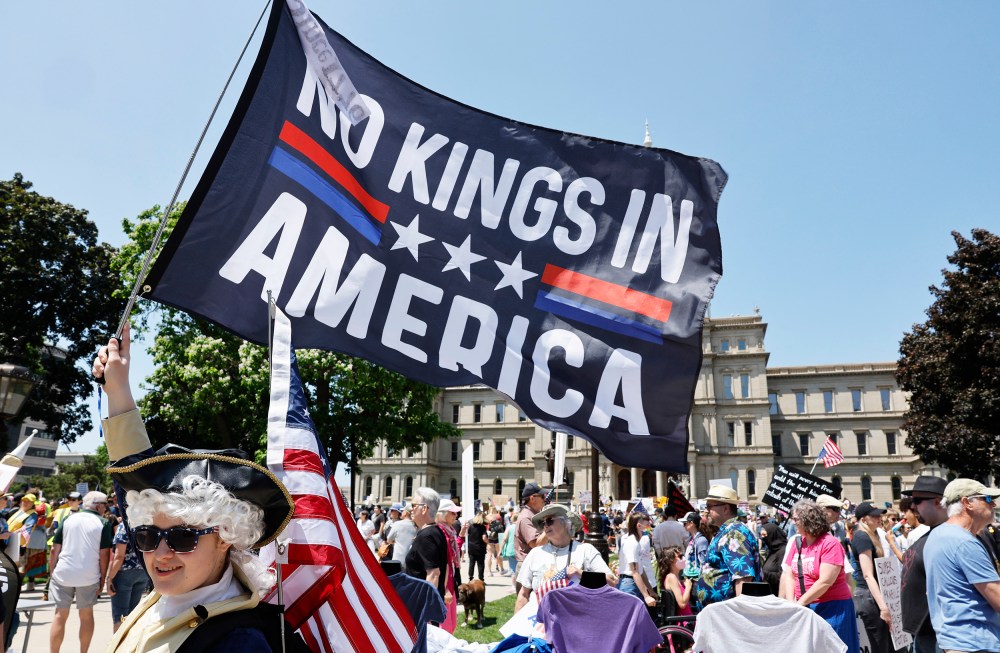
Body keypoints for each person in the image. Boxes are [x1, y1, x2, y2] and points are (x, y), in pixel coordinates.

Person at [94, 326, 303, 653]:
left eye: (183, 537)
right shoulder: (176, 587)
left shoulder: (239, 643)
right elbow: (132, 481)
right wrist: (117, 387)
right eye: (147, 536)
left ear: (224, 538)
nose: (160, 553)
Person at [924, 479, 1000, 653]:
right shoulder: (964, 542)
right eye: (987, 499)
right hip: (977, 642)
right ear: (967, 503)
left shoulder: (937, 535)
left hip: (954, 641)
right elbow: (997, 598)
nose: (993, 504)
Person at [781, 499, 860, 653]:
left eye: (796, 519)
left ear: (808, 519)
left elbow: (825, 581)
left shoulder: (830, 544)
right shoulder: (797, 543)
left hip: (833, 608)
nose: (793, 522)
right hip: (806, 608)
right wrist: (792, 603)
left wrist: (800, 603)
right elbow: (790, 575)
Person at [47, 491, 113, 653]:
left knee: (59, 616)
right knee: (86, 616)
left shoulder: (68, 519)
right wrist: (103, 578)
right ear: (99, 506)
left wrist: (51, 572)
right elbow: (104, 555)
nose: (106, 508)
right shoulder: (103, 523)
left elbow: (55, 550)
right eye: (105, 504)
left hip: (63, 573)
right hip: (88, 575)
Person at [514, 504, 614, 611]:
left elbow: (611, 581)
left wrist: (580, 574)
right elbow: (523, 595)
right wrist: (515, 626)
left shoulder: (585, 550)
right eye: (543, 523)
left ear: (566, 523)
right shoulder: (535, 553)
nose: (546, 526)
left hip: (575, 619)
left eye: (549, 521)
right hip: (540, 622)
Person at [899, 476, 947, 653]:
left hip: (938, 633)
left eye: (917, 501)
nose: (912, 507)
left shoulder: (950, 538)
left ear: (938, 501)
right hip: (922, 631)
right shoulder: (931, 535)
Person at [693, 485, 762, 610]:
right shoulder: (726, 531)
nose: (706, 511)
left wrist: (740, 614)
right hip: (719, 614)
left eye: (709, 507)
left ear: (725, 508)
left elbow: (743, 577)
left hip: (728, 615)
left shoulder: (734, 533)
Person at [850, 501, 892, 653]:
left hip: (873, 594)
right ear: (863, 519)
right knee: (879, 646)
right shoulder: (862, 537)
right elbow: (868, 575)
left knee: (886, 644)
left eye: (879, 515)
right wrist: (883, 607)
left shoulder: (872, 535)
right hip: (868, 595)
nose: (879, 518)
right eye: (874, 516)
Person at [107, 520, 150, 632]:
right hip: (142, 572)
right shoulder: (145, 523)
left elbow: (119, 556)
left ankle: (118, 647)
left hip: (124, 573)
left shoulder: (124, 526)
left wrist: (109, 578)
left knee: (120, 615)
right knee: (132, 614)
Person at [617, 512, 658, 607]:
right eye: (647, 525)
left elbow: (641, 570)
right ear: (639, 526)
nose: (649, 528)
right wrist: (646, 595)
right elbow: (634, 571)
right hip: (629, 584)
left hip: (633, 583)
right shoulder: (632, 543)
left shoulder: (636, 542)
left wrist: (650, 590)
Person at [514, 483, 548, 594]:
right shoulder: (526, 517)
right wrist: (550, 526)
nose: (545, 499)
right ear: (532, 498)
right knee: (526, 603)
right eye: (542, 496)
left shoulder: (534, 514)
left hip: (534, 565)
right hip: (527, 567)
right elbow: (536, 544)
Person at [659, 545, 694, 617]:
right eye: (680, 556)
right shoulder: (671, 577)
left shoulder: (676, 577)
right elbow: (682, 604)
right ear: (670, 561)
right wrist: (688, 586)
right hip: (685, 622)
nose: (683, 559)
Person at [759, 522, 788, 596]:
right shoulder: (772, 550)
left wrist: (765, 574)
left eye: (765, 535)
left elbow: (783, 576)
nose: (763, 538)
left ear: (772, 535)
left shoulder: (782, 551)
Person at [682, 511, 713, 578]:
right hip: (691, 576)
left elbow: (703, 562)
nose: (683, 525)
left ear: (691, 524)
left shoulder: (701, 540)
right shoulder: (692, 539)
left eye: (684, 523)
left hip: (697, 578)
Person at [386, 503, 416, 568]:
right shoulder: (417, 526)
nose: (401, 512)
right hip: (412, 561)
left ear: (406, 513)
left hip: (398, 559)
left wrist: (394, 542)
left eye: (403, 511)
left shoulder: (397, 524)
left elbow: (389, 539)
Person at [466, 511, 487, 582]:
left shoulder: (471, 526)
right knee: (480, 564)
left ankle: (470, 577)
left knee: (471, 563)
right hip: (480, 547)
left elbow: (468, 534)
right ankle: (481, 578)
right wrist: (488, 541)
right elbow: (484, 538)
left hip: (471, 547)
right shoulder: (483, 527)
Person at [499, 511, 518, 583]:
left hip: (511, 550)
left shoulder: (509, 528)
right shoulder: (521, 526)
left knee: (513, 570)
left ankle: (514, 586)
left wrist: (500, 550)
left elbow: (504, 539)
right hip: (521, 550)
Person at [486, 508, 505, 575]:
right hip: (497, 537)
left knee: (489, 555)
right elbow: (502, 525)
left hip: (489, 537)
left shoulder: (487, 517)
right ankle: (502, 569)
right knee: (498, 553)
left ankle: (489, 571)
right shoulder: (498, 516)